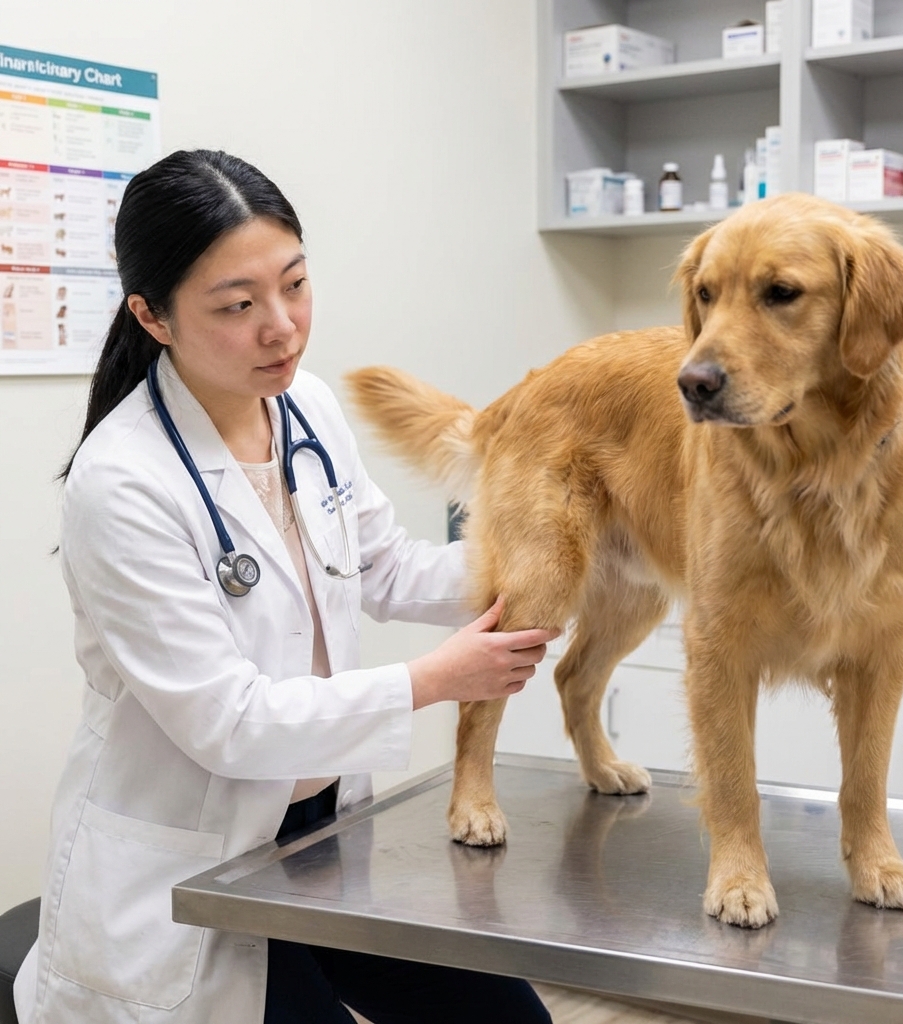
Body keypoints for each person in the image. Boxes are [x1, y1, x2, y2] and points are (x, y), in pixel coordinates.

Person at [13, 149, 557, 1024]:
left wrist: (562, 567)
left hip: (318, 839)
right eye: (238, 306)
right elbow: (230, 723)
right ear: (151, 316)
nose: (283, 328)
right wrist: (435, 680)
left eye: (295, 285)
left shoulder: (304, 409)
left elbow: (382, 565)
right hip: (193, 871)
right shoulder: (122, 484)